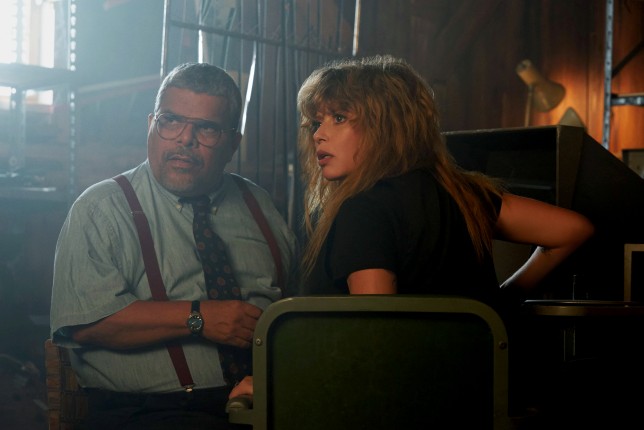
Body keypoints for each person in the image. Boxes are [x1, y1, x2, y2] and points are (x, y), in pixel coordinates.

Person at [228, 54, 594, 401]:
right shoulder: (464, 194)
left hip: (402, 407)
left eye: (338, 117)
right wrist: (500, 303)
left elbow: (378, 341)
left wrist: (280, 386)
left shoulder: (363, 209)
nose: (318, 135)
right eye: (316, 122)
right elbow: (572, 230)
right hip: (477, 397)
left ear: (386, 124)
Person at [50, 62, 297, 429]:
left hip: (266, 402)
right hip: (148, 412)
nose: (185, 139)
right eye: (171, 121)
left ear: (233, 144)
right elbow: (87, 325)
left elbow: (297, 311)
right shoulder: (101, 209)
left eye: (207, 128)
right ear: (151, 124)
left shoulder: (258, 205)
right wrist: (199, 318)